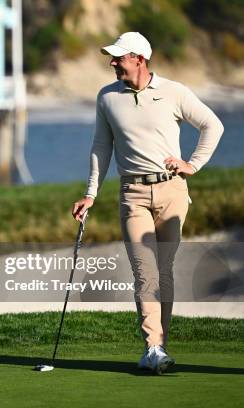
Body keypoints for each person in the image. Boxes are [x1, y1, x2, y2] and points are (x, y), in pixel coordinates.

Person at [71, 32, 223, 374]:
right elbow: (101, 147)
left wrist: (193, 164)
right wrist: (91, 194)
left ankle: (160, 346)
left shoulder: (174, 92)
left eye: (119, 58)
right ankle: (152, 346)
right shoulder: (107, 97)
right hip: (132, 195)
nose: (112, 63)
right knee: (145, 271)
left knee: (163, 272)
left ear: (139, 59)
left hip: (172, 192)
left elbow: (213, 125)